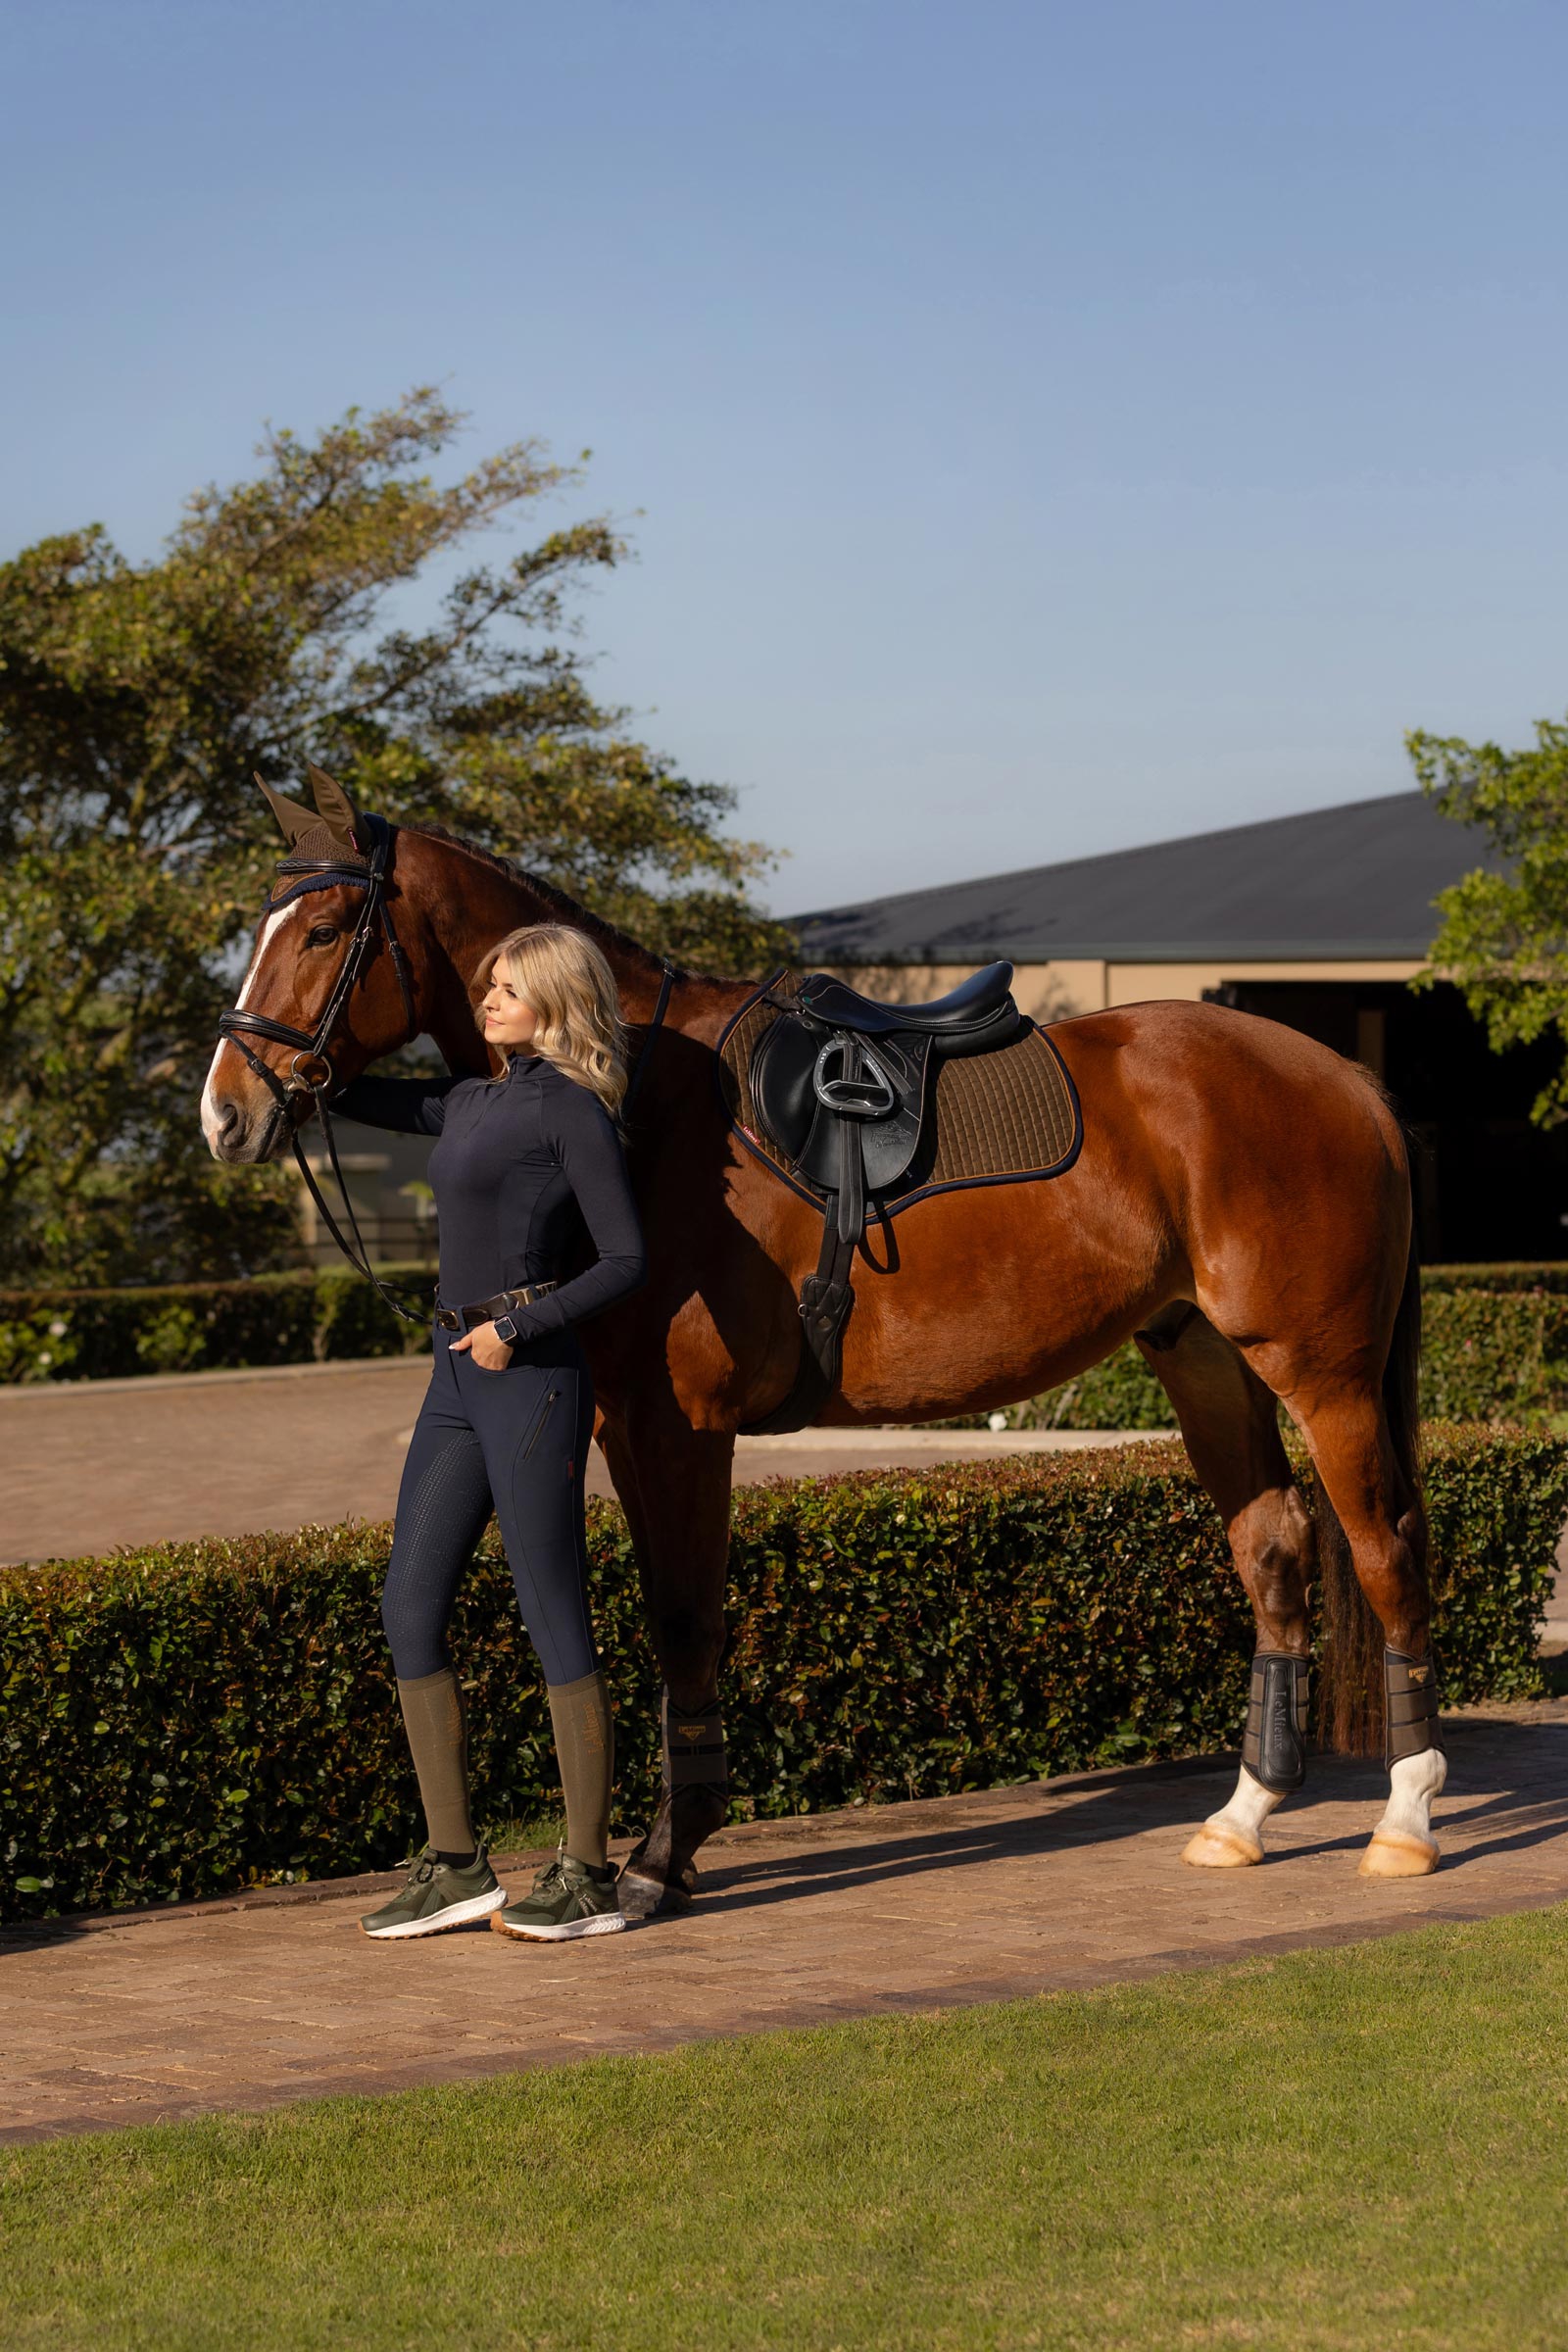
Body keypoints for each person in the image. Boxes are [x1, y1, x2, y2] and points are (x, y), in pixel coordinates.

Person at [336, 924, 648, 1943]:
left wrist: (517, 1328)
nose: (486, 999)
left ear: (555, 997)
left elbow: (623, 1260)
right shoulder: (472, 1098)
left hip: (529, 1380)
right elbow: (352, 1095)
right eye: (486, 986)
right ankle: (455, 1865)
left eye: (507, 988)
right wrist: (285, 1061)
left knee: (554, 1614)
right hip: (450, 1384)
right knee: (408, 1606)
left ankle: (589, 1872)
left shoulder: (573, 1115)